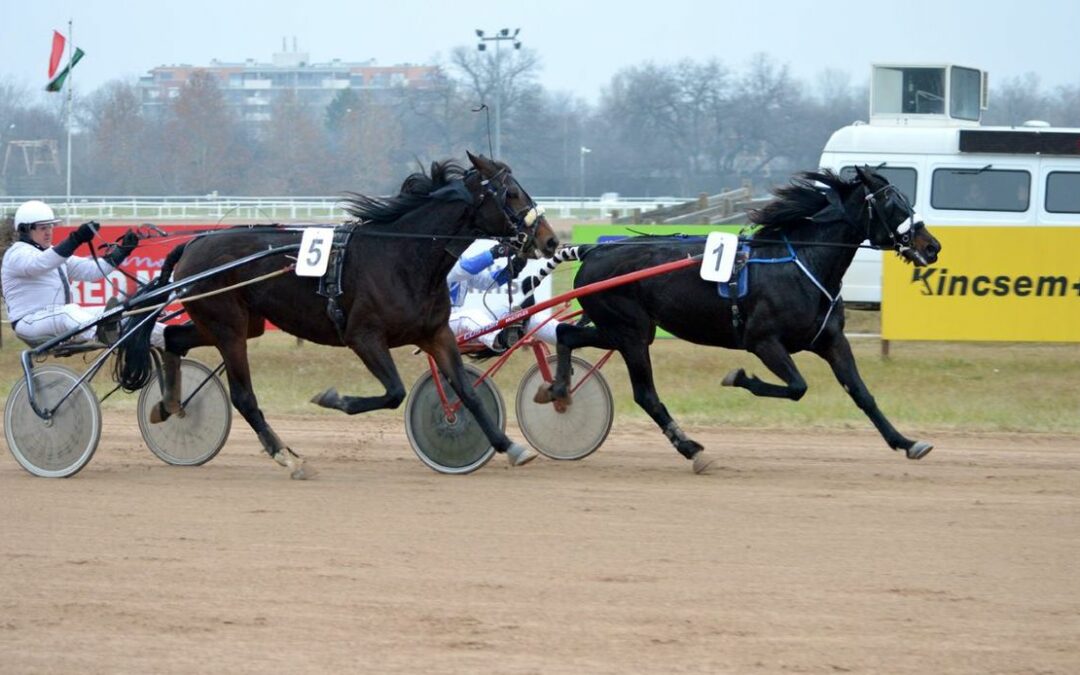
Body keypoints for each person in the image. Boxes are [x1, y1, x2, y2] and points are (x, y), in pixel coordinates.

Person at [2, 199, 160, 347]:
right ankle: (99, 333)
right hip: (29, 322)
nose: (49, 232)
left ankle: (168, 335)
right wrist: (76, 239)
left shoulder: (52, 253)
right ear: (25, 230)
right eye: (43, 228)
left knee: (113, 311)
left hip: (56, 318)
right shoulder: (16, 254)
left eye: (50, 227)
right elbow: (41, 263)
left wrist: (122, 251)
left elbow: (91, 272)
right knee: (69, 311)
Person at [447, 242, 567, 351]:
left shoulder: (457, 258)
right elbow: (461, 270)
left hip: (456, 320)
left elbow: (486, 281)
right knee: (470, 317)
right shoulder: (434, 257)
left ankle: (566, 336)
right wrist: (494, 253)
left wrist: (512, 269)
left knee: (516, 314)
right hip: (439, 324)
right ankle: (500, 340)